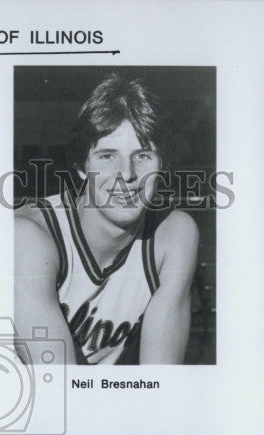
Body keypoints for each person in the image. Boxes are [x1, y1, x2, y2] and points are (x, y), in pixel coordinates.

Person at [15, 73, 199, 365]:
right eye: (107, 156)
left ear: (162, 163)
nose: (126, 174)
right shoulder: (29, 236)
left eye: (142, 155)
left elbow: (161, 381)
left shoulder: (172, 235)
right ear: (80, 166)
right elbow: (59, 390)